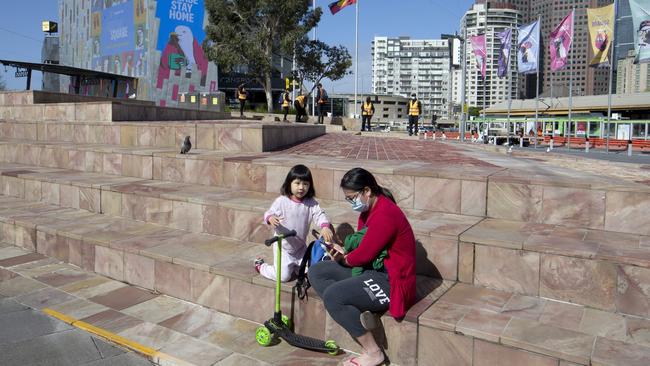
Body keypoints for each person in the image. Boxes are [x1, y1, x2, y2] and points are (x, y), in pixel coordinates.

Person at [308, 168, 417, 366]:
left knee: (333, 296)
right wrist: (343, 254)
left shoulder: (385, 214)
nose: (352, 203)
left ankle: (374, 352)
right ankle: (357, 308)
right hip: (369, 269)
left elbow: (364, 254)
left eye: (352, 198)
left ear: (367, 191)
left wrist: (343, 259)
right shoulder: (369, 211)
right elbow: (362, 251)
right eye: (348, 199)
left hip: (390, 281)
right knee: (316, 271)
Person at [256, 164, 334, 282]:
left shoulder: (311, 203)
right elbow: (268, 213)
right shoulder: (282, 201)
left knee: (309, 272)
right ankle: (261, 267)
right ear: (289, 184)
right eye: (297, 183)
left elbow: (319, 215)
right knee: (283, 277)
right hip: (283, 248)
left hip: (300, 247)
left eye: (305, 184)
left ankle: (296, 267)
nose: (301, 187)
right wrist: (270, 218)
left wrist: (324, 227)